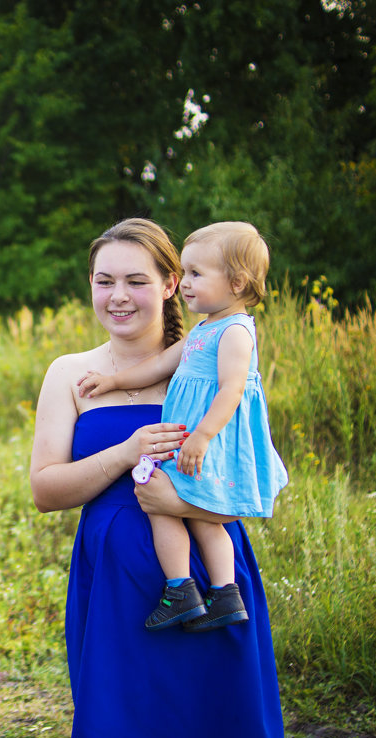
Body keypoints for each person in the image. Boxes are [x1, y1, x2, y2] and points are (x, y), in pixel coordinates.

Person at [29, 219, 284, 738]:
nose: (118, 296)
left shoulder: (212, 361)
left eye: (136, 280)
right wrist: (125, 453)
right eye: (104, 280)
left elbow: (250, 481)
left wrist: (182, 500)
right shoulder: (72, 374)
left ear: (174, 284)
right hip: (115, 585)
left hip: (204, 578)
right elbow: (45, 491)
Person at [75, 222, 288, 632]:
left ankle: (197, 590)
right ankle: (205, 593)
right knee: (174, 507)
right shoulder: (203, 331)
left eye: (195, 274)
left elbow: (232, 390)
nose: (185, 283)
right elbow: (158, 365)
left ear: (237, 282)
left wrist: (204, 437)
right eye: (185, 274)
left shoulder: (237, 332)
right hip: (192, 439)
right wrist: (114, 381)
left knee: (178, 508)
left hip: (207, 442)